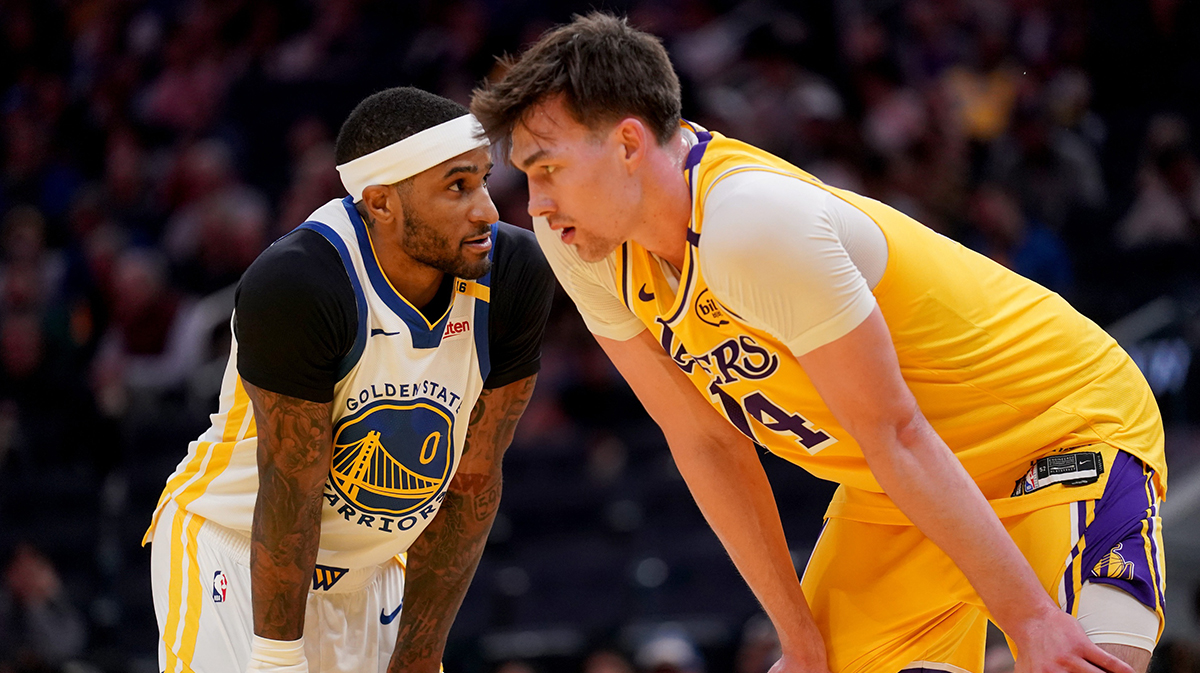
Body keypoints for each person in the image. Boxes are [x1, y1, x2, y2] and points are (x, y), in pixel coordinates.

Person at [470, 14, 1167, 673]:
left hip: (1052, 426)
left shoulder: (749, 225)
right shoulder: (587, 245)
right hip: (898, 484)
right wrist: (799, 638)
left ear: (626, 144)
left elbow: (895, 428)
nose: (532, 203)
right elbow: (705, 441)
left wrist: (1029, 620)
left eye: (546, 167)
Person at [144, 87, 555, 673]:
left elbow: (473, 483)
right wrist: (278, 658)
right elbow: (292, 484)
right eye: (457, 187)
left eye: (485, 181)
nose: (487, 209)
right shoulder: (302, 283)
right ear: (382, 203)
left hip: (371, 572)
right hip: (238, 548)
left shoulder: (514, 275)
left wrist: (420, 656)